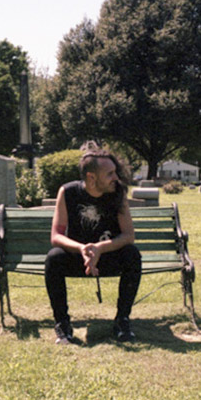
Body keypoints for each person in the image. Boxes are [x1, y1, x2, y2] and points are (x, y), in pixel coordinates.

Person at [44, 142, 142, 344]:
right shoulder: (68, 192)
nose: (116, 178)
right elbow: (56, 236)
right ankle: (62, 324)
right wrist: (82, 248)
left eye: (115, 172)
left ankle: (122, 320)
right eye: (110, 174)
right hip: (78, 258)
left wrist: (99, 248)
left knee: (132, 254)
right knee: (54, 258)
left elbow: (128, 235)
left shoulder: (118, 193)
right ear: (91, 177)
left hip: (108, 257)